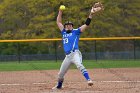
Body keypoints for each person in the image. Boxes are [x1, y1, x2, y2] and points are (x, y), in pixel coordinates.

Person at [52, 2, 103, 89]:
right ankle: (59, 86)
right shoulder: (63, 32)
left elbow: (86, 24)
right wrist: (60, 12)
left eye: (70, 25)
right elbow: (58, 22)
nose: (68, 27)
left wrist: (91, 14)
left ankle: (89, 80)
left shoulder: (76, 31)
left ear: (72, 26)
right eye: (67, 25)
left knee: (79, 65)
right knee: (60, 74)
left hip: (75, 53)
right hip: (68, 56)